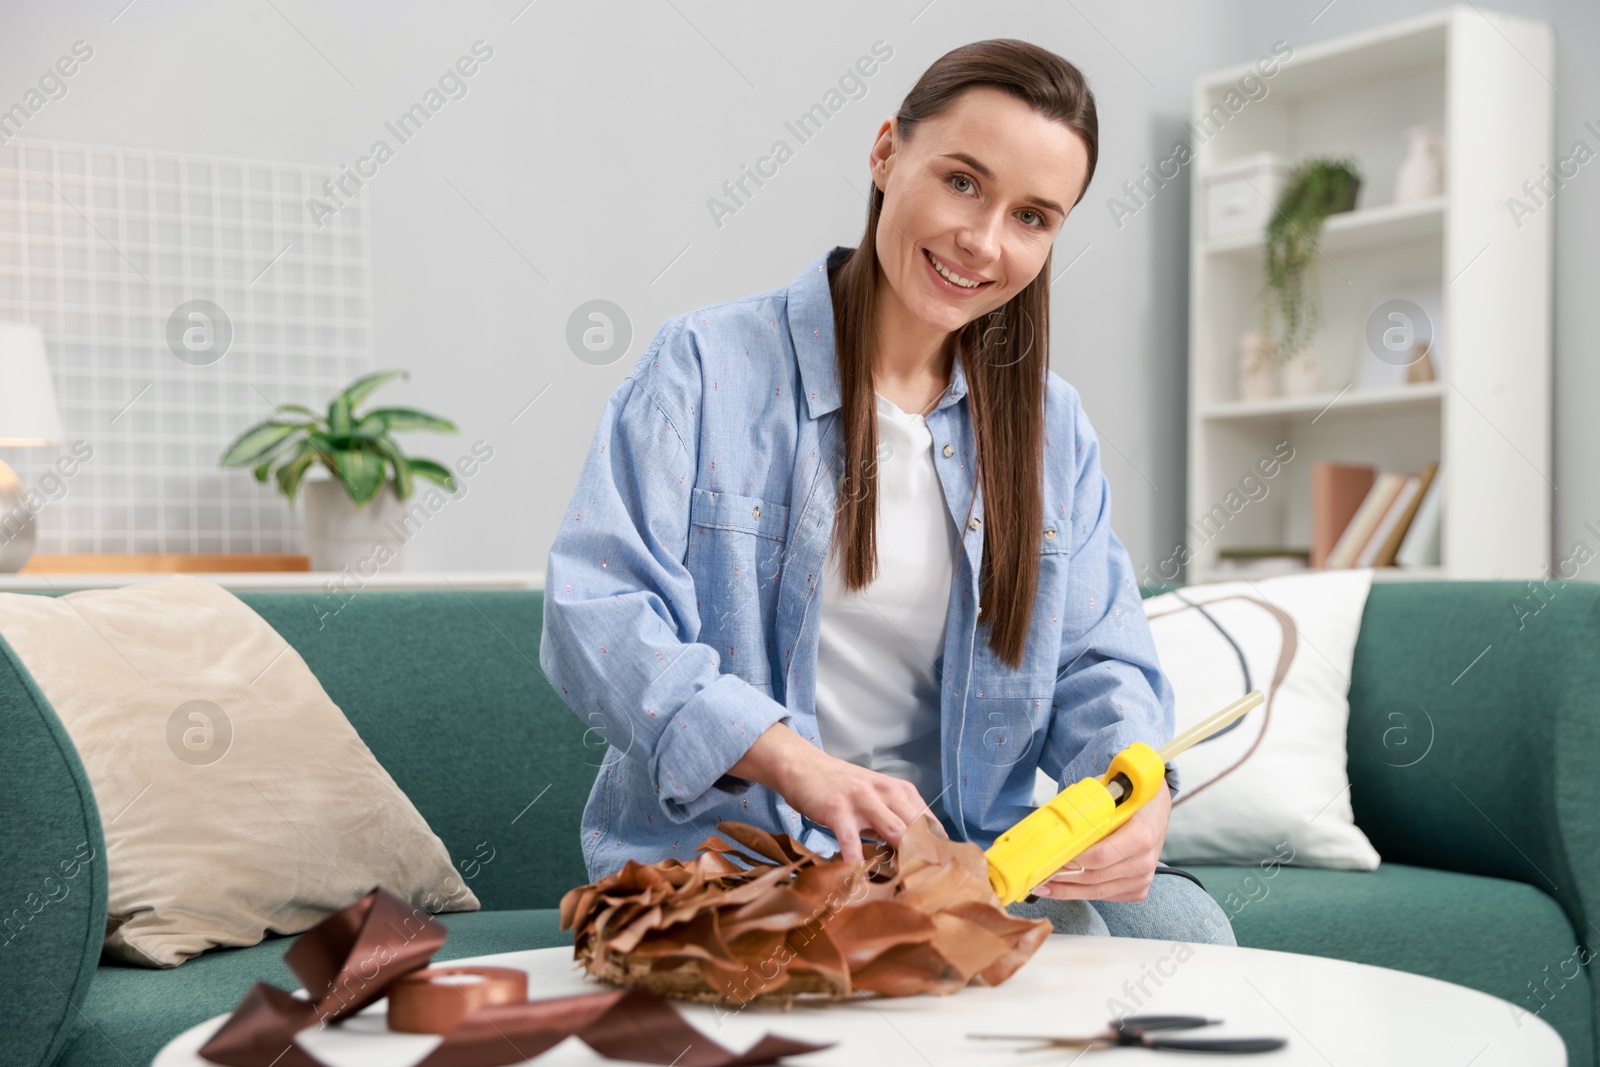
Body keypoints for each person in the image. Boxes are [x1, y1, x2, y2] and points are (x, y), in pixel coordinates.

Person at [539, 38, 1234, 946]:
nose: (982, 242)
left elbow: (1100, 663)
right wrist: (794, 761)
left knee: (1190, 934)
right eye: (961, 182)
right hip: (743, 863)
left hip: (975, 861)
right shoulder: (706, 368)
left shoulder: (1051, 427)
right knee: (1035, 967)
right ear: (884, 153)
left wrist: (1133, 790)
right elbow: (597, 612)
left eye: (1033, 216)